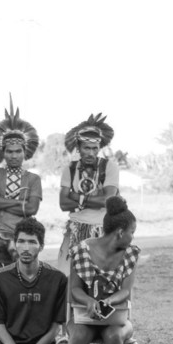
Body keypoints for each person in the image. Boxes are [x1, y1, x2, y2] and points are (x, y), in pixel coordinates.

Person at [55, 195, 140, 344]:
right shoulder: (82, 250)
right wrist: (89, 301)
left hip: (116, 318)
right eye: (132, 232)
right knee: (79, 336)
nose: (133, 237)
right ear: (120, 232)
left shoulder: (130, 254)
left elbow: (126, 291)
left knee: (113, 336)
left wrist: (109, 300)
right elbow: (74, 290)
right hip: (84, 316)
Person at [0, 96, 41, 287]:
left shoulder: (33, 179)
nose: (13, 155)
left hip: (24, 239)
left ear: (25, 152)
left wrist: (1, 202)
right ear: (3, 152)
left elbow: (33, 209)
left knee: (23, 285)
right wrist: (20, 204)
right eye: (9, 151)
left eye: (18, 151)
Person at [56, 113, 118, 276]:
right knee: (66, 278)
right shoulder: (70, 169)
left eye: (94, 148)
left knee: (102, 281)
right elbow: (63, 203)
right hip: (75, 230)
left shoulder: (109, 167)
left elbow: (107, 200)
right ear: (78, 148)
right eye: (86, 148)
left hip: (102, 232)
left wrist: (76, 197)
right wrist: (94, 199)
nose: (91, 153)